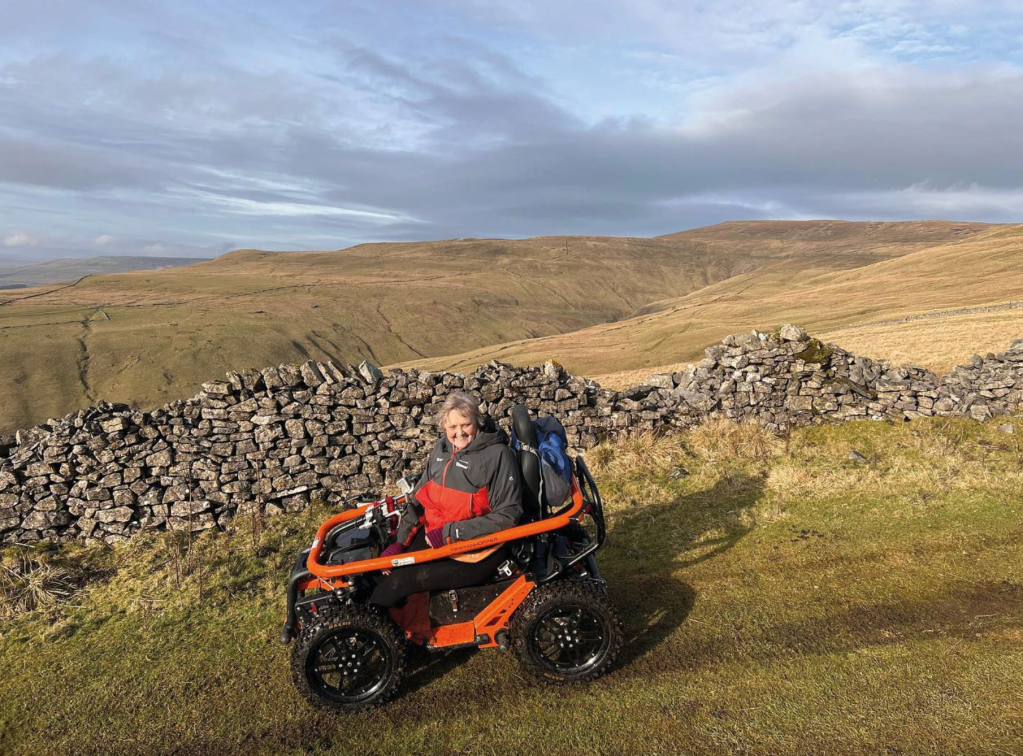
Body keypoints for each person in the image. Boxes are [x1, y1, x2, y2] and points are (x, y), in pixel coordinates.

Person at [368, 391, 523, 608]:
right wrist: (400, 542)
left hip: (476, 552)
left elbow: (508, 515)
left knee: (397, 583)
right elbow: (419, 499)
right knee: (379, 573)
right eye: (452, 427)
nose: (459, 433)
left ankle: (372, 636)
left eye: (465, 424)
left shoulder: (498, 456)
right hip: (436, 534)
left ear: (477, 422)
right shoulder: (441, 451)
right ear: (444, 428)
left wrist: (450, 533)